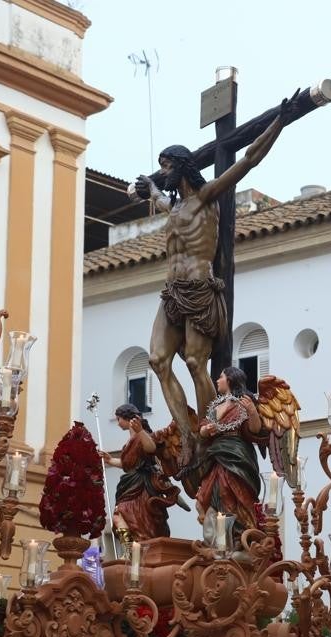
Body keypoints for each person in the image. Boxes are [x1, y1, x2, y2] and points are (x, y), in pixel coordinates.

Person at [133, 94, 300, 468]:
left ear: (181, 167)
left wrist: (280, 121)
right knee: (157, 360)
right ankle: (189, 434)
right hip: (172, 293)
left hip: (199, 290)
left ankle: (213, 430)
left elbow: (248, 160)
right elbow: (158, 195)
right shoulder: (174, 206)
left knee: (196, 362)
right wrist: (148, 186)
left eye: (166, 166)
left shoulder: (207, 197)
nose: (163, 172)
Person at [181, 366, 264, 537]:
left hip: (237, 453)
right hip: (216, 455)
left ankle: (239, 533)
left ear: (230, 380)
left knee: (233, 490)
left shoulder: (244, 402)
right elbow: (202, 430)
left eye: (221, 377)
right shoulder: (216, 406)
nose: (217, 380)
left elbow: (255, 429)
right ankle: (220, 537)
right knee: (211, 491)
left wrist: (252, 412)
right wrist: (206, 430)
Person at [98, 404, 187, 541]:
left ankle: (140, 546)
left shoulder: (143, 436)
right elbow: (128, 464)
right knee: (119, 516)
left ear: (127, 418)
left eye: (119, 419)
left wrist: (140, 431)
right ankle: (129, 549)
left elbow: (151, 448)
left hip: (143, 486)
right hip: (130, 484)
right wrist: (110, 460)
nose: (118, 423)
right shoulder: (129, 442)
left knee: (136, 519)